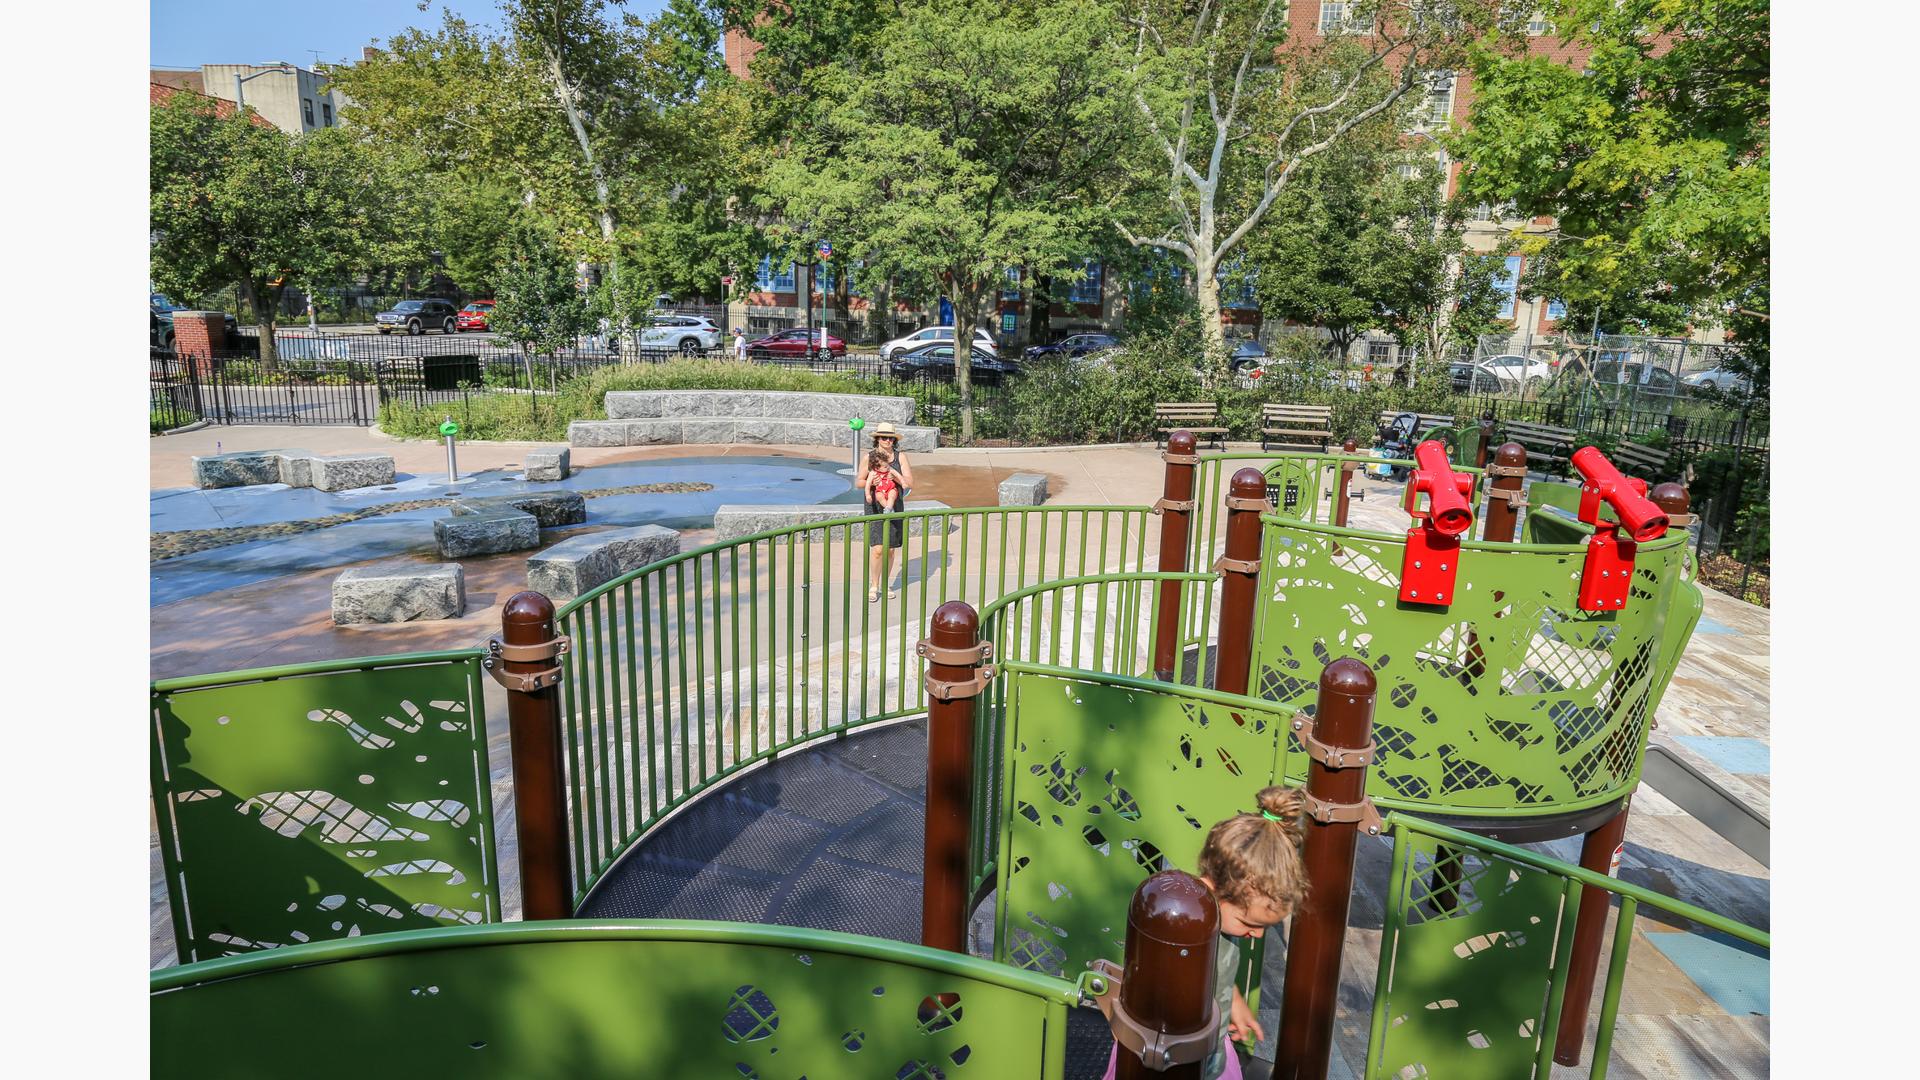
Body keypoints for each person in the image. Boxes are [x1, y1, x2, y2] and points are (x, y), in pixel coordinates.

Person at [1099, 786, 1308, 1080]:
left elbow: (1217, 967)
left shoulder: (1218, 914)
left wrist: (1232, 1001)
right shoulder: (1185, 922)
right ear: (1216, 890)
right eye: (1250, 924)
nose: (1257, 936)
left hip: (1210, 1044)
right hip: (1163, 1057)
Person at [855, 422, 914, 602]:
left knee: (889, 549)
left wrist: (894, 475)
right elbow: (859, 482)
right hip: (875, 504)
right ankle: (874, 584)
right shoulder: (869, 457)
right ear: (877, 439)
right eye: (883, 437)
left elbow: (910, 482)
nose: (887, 441)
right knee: (878, 549)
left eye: (890, 438)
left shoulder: (900, 457)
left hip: (894, 504)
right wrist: (871, 483)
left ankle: (886, 583)